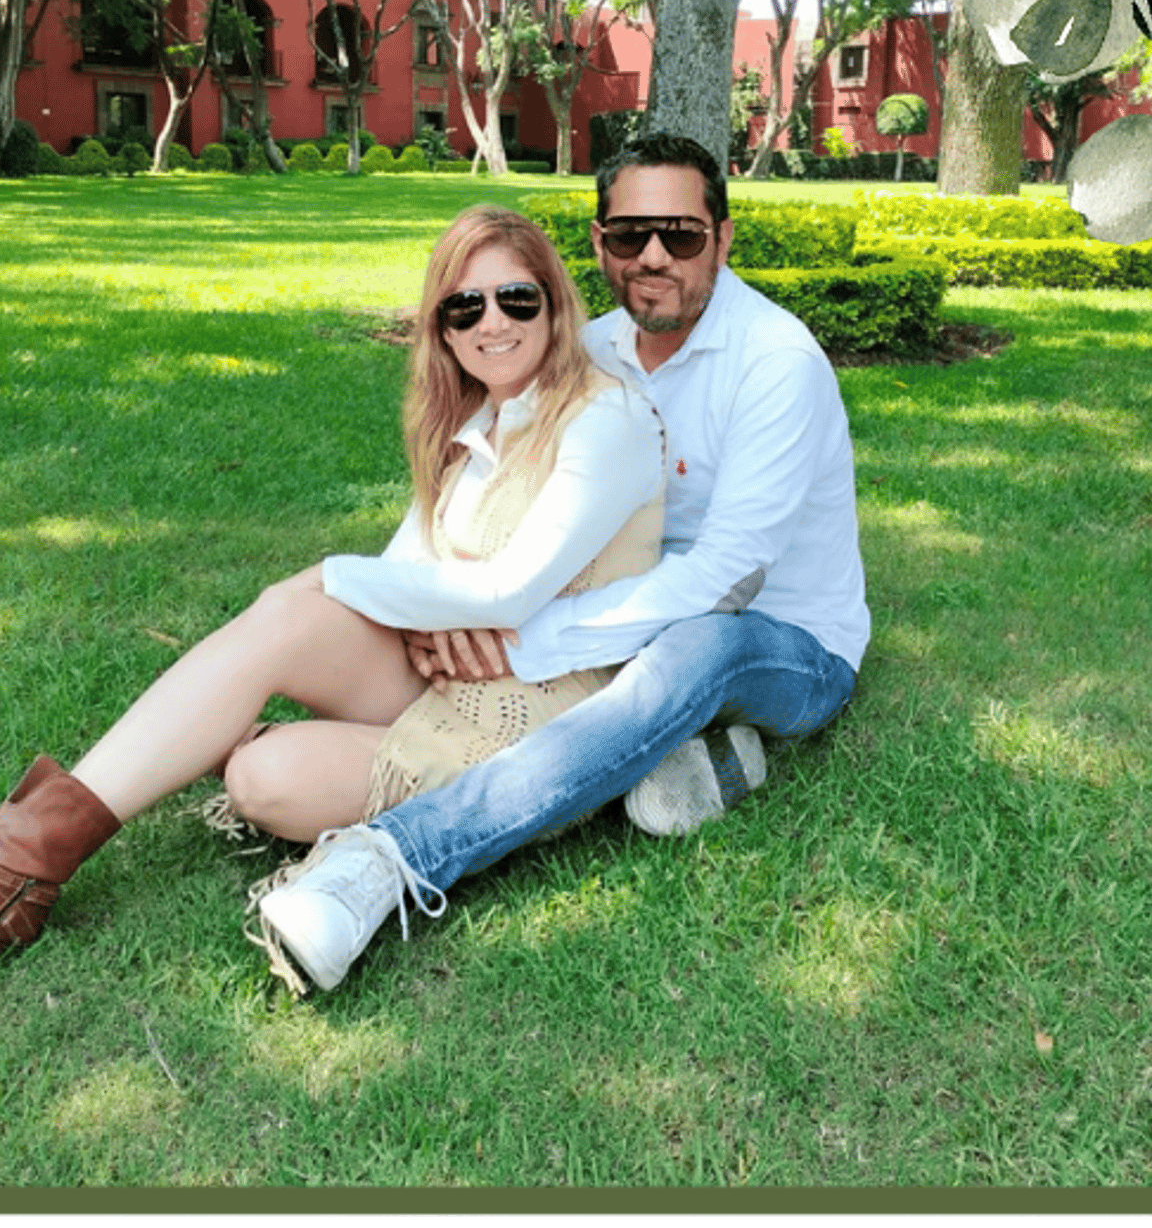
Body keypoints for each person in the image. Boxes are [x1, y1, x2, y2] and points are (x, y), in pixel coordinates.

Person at [0, 204, 664, 974]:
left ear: (554, 305)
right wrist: (423, 614)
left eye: (516, 299)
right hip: (442, 674)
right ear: (441, 330)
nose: (492, 323)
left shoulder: (608, 418)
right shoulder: (473, 428)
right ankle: (7, 872)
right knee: (290, 624)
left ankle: (177, 751)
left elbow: (507, 594)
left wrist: (342, 577)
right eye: (464, 307)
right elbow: (409, 574)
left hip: (541, 719)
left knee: (260, 777)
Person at [253, 132, 869, 992]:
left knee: (694, 650)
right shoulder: (592, 351)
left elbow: (726, 581)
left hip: (781, 641)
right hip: (621, 624)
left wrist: (525, 636)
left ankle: (390, 861)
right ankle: (696, 758)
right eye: (630, 235)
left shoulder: (777, 363)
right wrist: (445, 605)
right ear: (599, 243)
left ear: (723, 239)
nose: (653, 256)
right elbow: (490, 477)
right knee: (644, 683)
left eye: (681, 234)